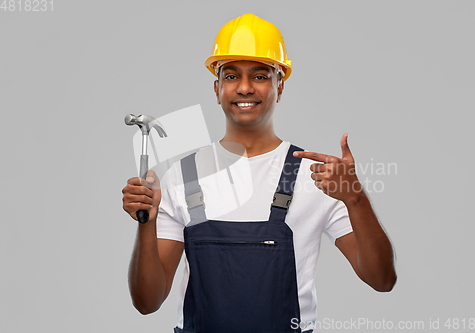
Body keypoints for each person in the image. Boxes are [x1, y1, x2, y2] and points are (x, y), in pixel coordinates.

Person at [122, 13, 396, 333]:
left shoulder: (317, 177)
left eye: (261, 76)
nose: (245, 87)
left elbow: (382, 280)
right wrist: (147, 223)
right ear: (217, 88)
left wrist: (356, 198)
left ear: (280, 86)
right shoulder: (183, 176)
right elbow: (147, 302)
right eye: (231, 76)